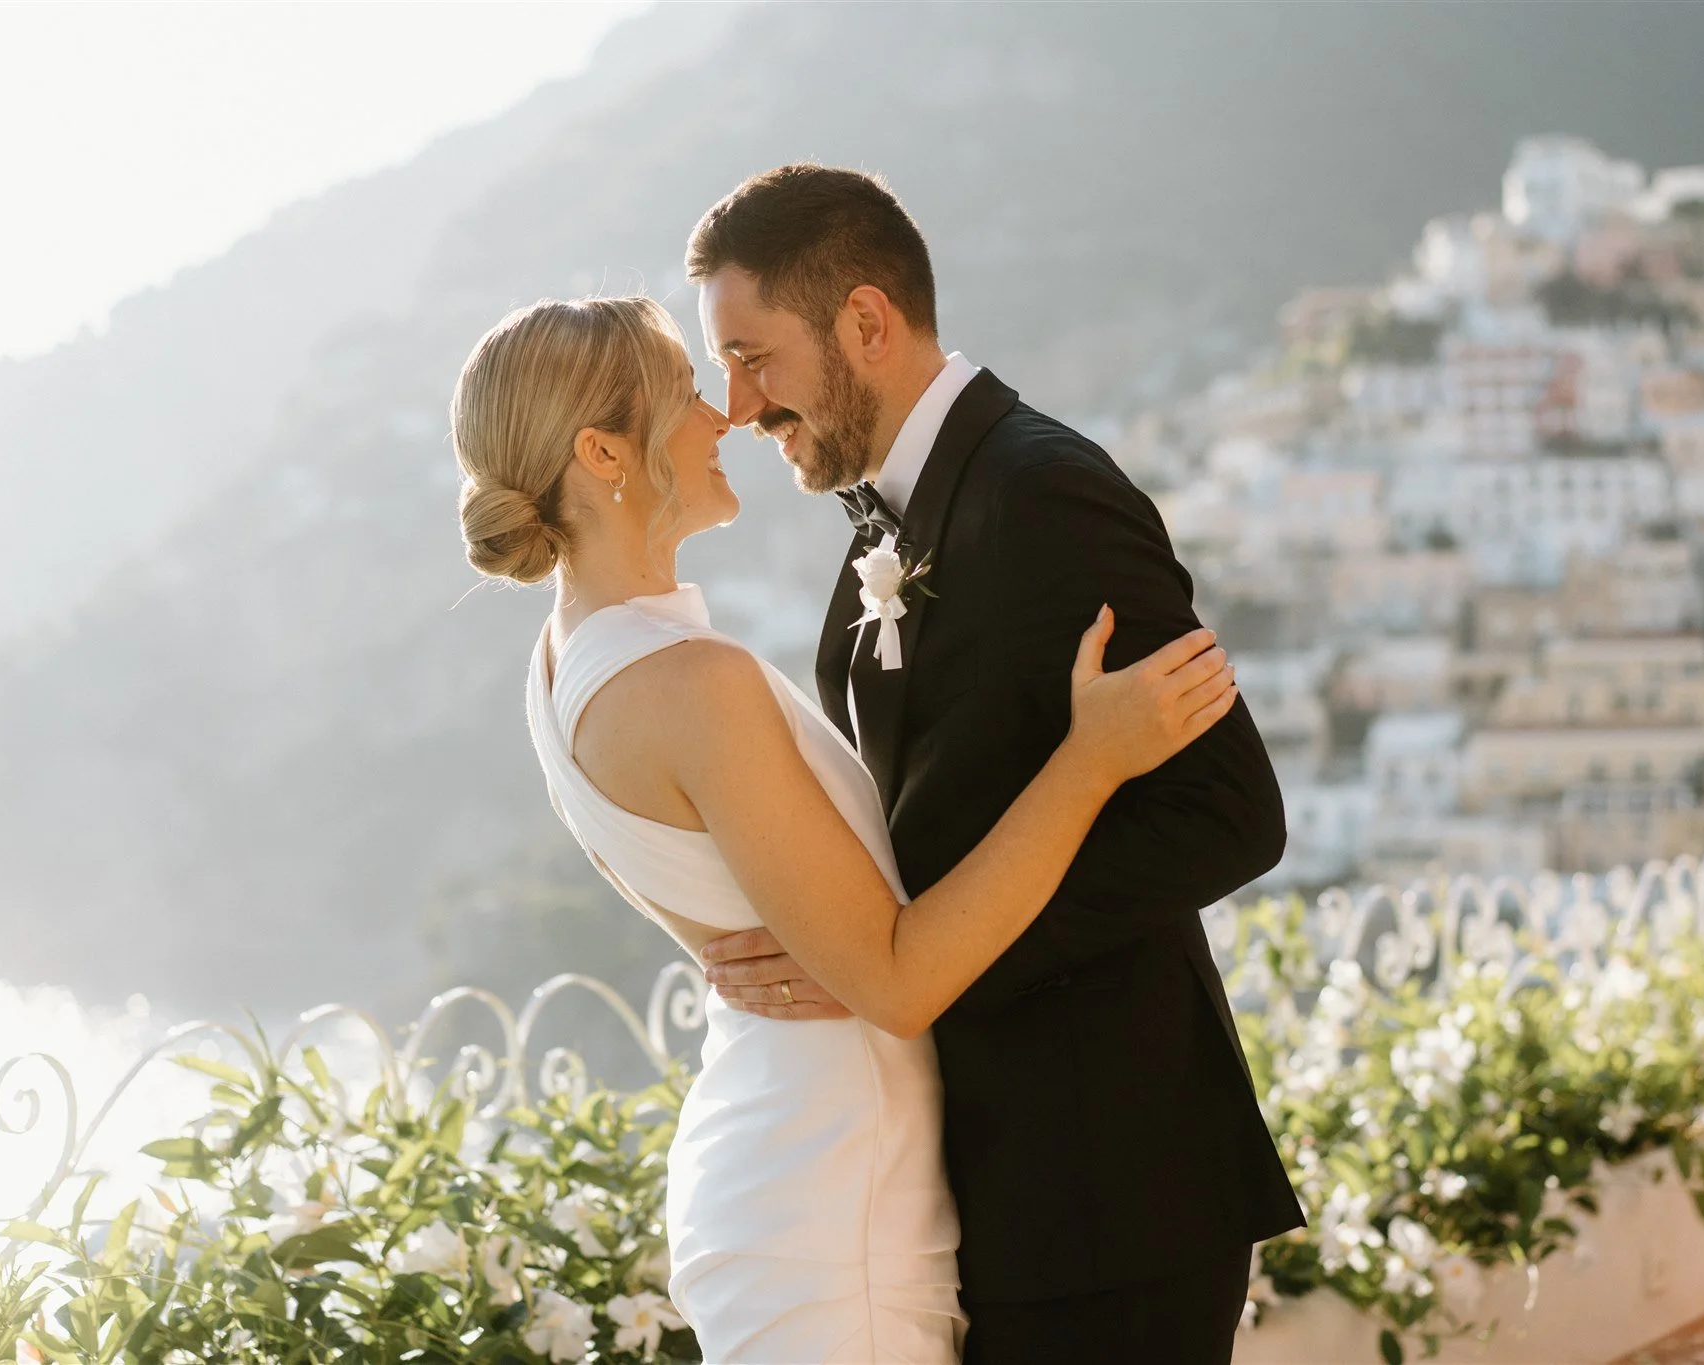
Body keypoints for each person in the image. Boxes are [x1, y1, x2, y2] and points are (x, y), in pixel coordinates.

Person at [452, 294, 1238, 1362]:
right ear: (603, 452)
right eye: (686, 393)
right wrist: (1091, 758)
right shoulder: (690, 686)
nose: (724, 415)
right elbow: (898, 983)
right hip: (832, 1211)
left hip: (800, 1175)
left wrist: (842, 949)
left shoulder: (564, 668)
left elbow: (760, 928)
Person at [687, 164, 1307, 1364]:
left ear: (865, 323)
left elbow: (1228, 812)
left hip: (1110, 1188)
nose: (737, 404)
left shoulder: (1042, 492)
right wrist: (862, 947)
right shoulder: (892, 514)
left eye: (752, 357)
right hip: (1003, 1188)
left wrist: (917, 962)